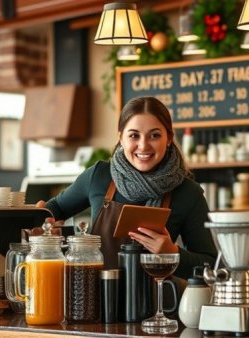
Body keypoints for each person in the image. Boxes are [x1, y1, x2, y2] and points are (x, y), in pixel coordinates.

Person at [36, 96, 217, 279]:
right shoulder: (99, 176)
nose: (143, 145)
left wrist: (171, 253)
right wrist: (44, 220)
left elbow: (210, 265)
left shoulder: (188, 192)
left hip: (156, 305)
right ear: (121, 138)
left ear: (169, 138)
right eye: (133, 135)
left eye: (155, 135)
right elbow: (55, 208)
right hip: (93, 301)